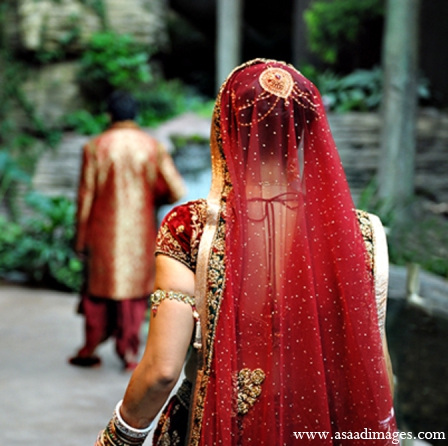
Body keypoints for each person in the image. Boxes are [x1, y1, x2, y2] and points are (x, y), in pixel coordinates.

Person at [94, 59, 397, 445]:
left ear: (226, 127)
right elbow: (376, 372)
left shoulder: (190, 229)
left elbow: (163, 371)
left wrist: (117, 438)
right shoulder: (358, 235)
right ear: (305, 129)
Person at [70, 90, 186, 371]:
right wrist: (153, 197)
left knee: (98, 292)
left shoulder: (95, 147)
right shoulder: (152, 147)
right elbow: (176, 189)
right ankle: (129, 353)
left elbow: (85, 198)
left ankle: (90, 349)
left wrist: (81, 239)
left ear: (109, 115)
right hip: (139, 234)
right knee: (134, 295)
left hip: (101, 234)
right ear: (135, 114)